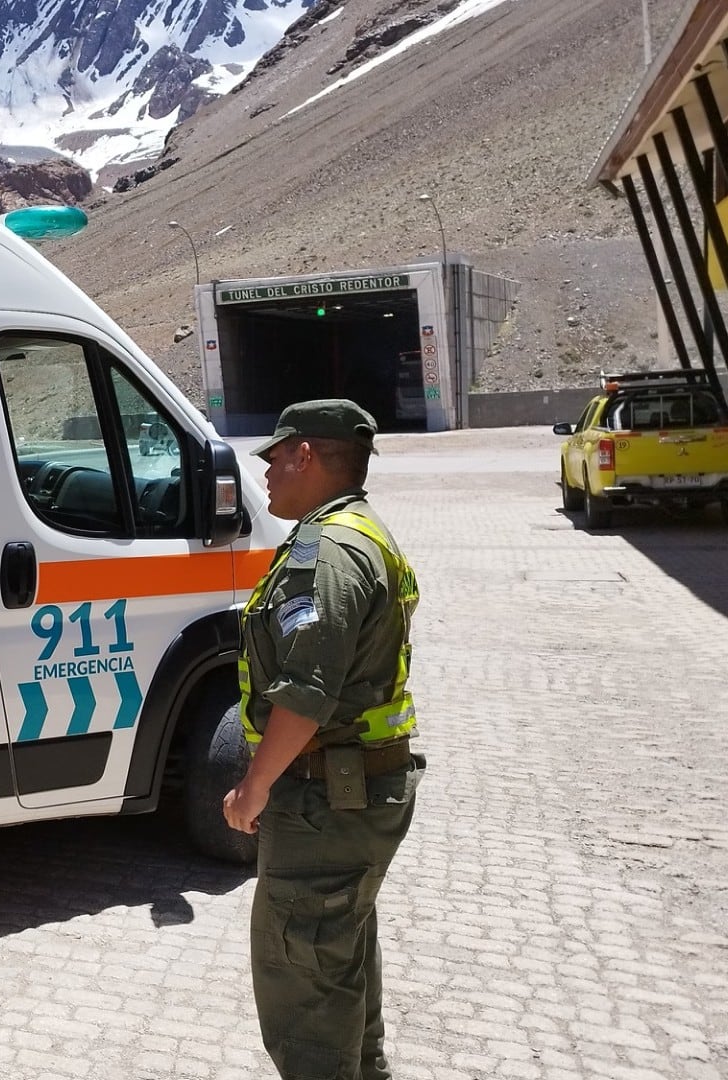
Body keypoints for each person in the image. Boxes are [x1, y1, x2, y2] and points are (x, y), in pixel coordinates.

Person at [222, 400, 425, 1080]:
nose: (269, 472)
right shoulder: (355, 532)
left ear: (306, 454)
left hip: (325, 800)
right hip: (348, 793)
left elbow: (308, 690)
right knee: (336, 960)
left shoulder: (328, 551)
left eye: (277, 457)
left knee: (303, 978)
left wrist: (254, 786)